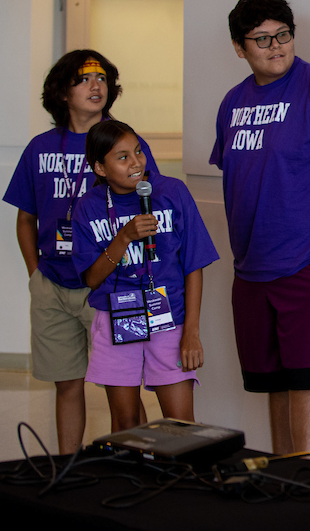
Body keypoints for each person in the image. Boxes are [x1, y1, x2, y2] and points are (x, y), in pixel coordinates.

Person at [210, 0, 310, 455]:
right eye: (262, 39)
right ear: (240, 48)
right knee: (272, 384)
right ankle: (284, 486)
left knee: (307, 384)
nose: (276, 46)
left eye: (283, 35)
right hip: (253, 273)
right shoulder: (232, 103)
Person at [2, 51, 159, 453]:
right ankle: (68, 468)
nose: (96, 85)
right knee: (66, 385)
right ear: (62, 92)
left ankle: (136, 464)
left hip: (112, 283)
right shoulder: (40, 148)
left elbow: (149, 206)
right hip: (53, 283)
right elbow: (26, 219)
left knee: (122, 390)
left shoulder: (126, 144)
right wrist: (36, 273)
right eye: (84, 79)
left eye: (102, 78)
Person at [72, 120, 218, 431]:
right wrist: (123, 237)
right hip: (116, 319)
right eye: (122, 157)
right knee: (125, 424)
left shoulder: (172, 192)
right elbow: (91, 279)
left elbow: (194, 265)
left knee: (180, 425)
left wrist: (191, 332)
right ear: (100, 168)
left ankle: (181, 479)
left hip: (170, 321)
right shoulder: (88, 207)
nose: (136, 162)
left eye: (138, 151)